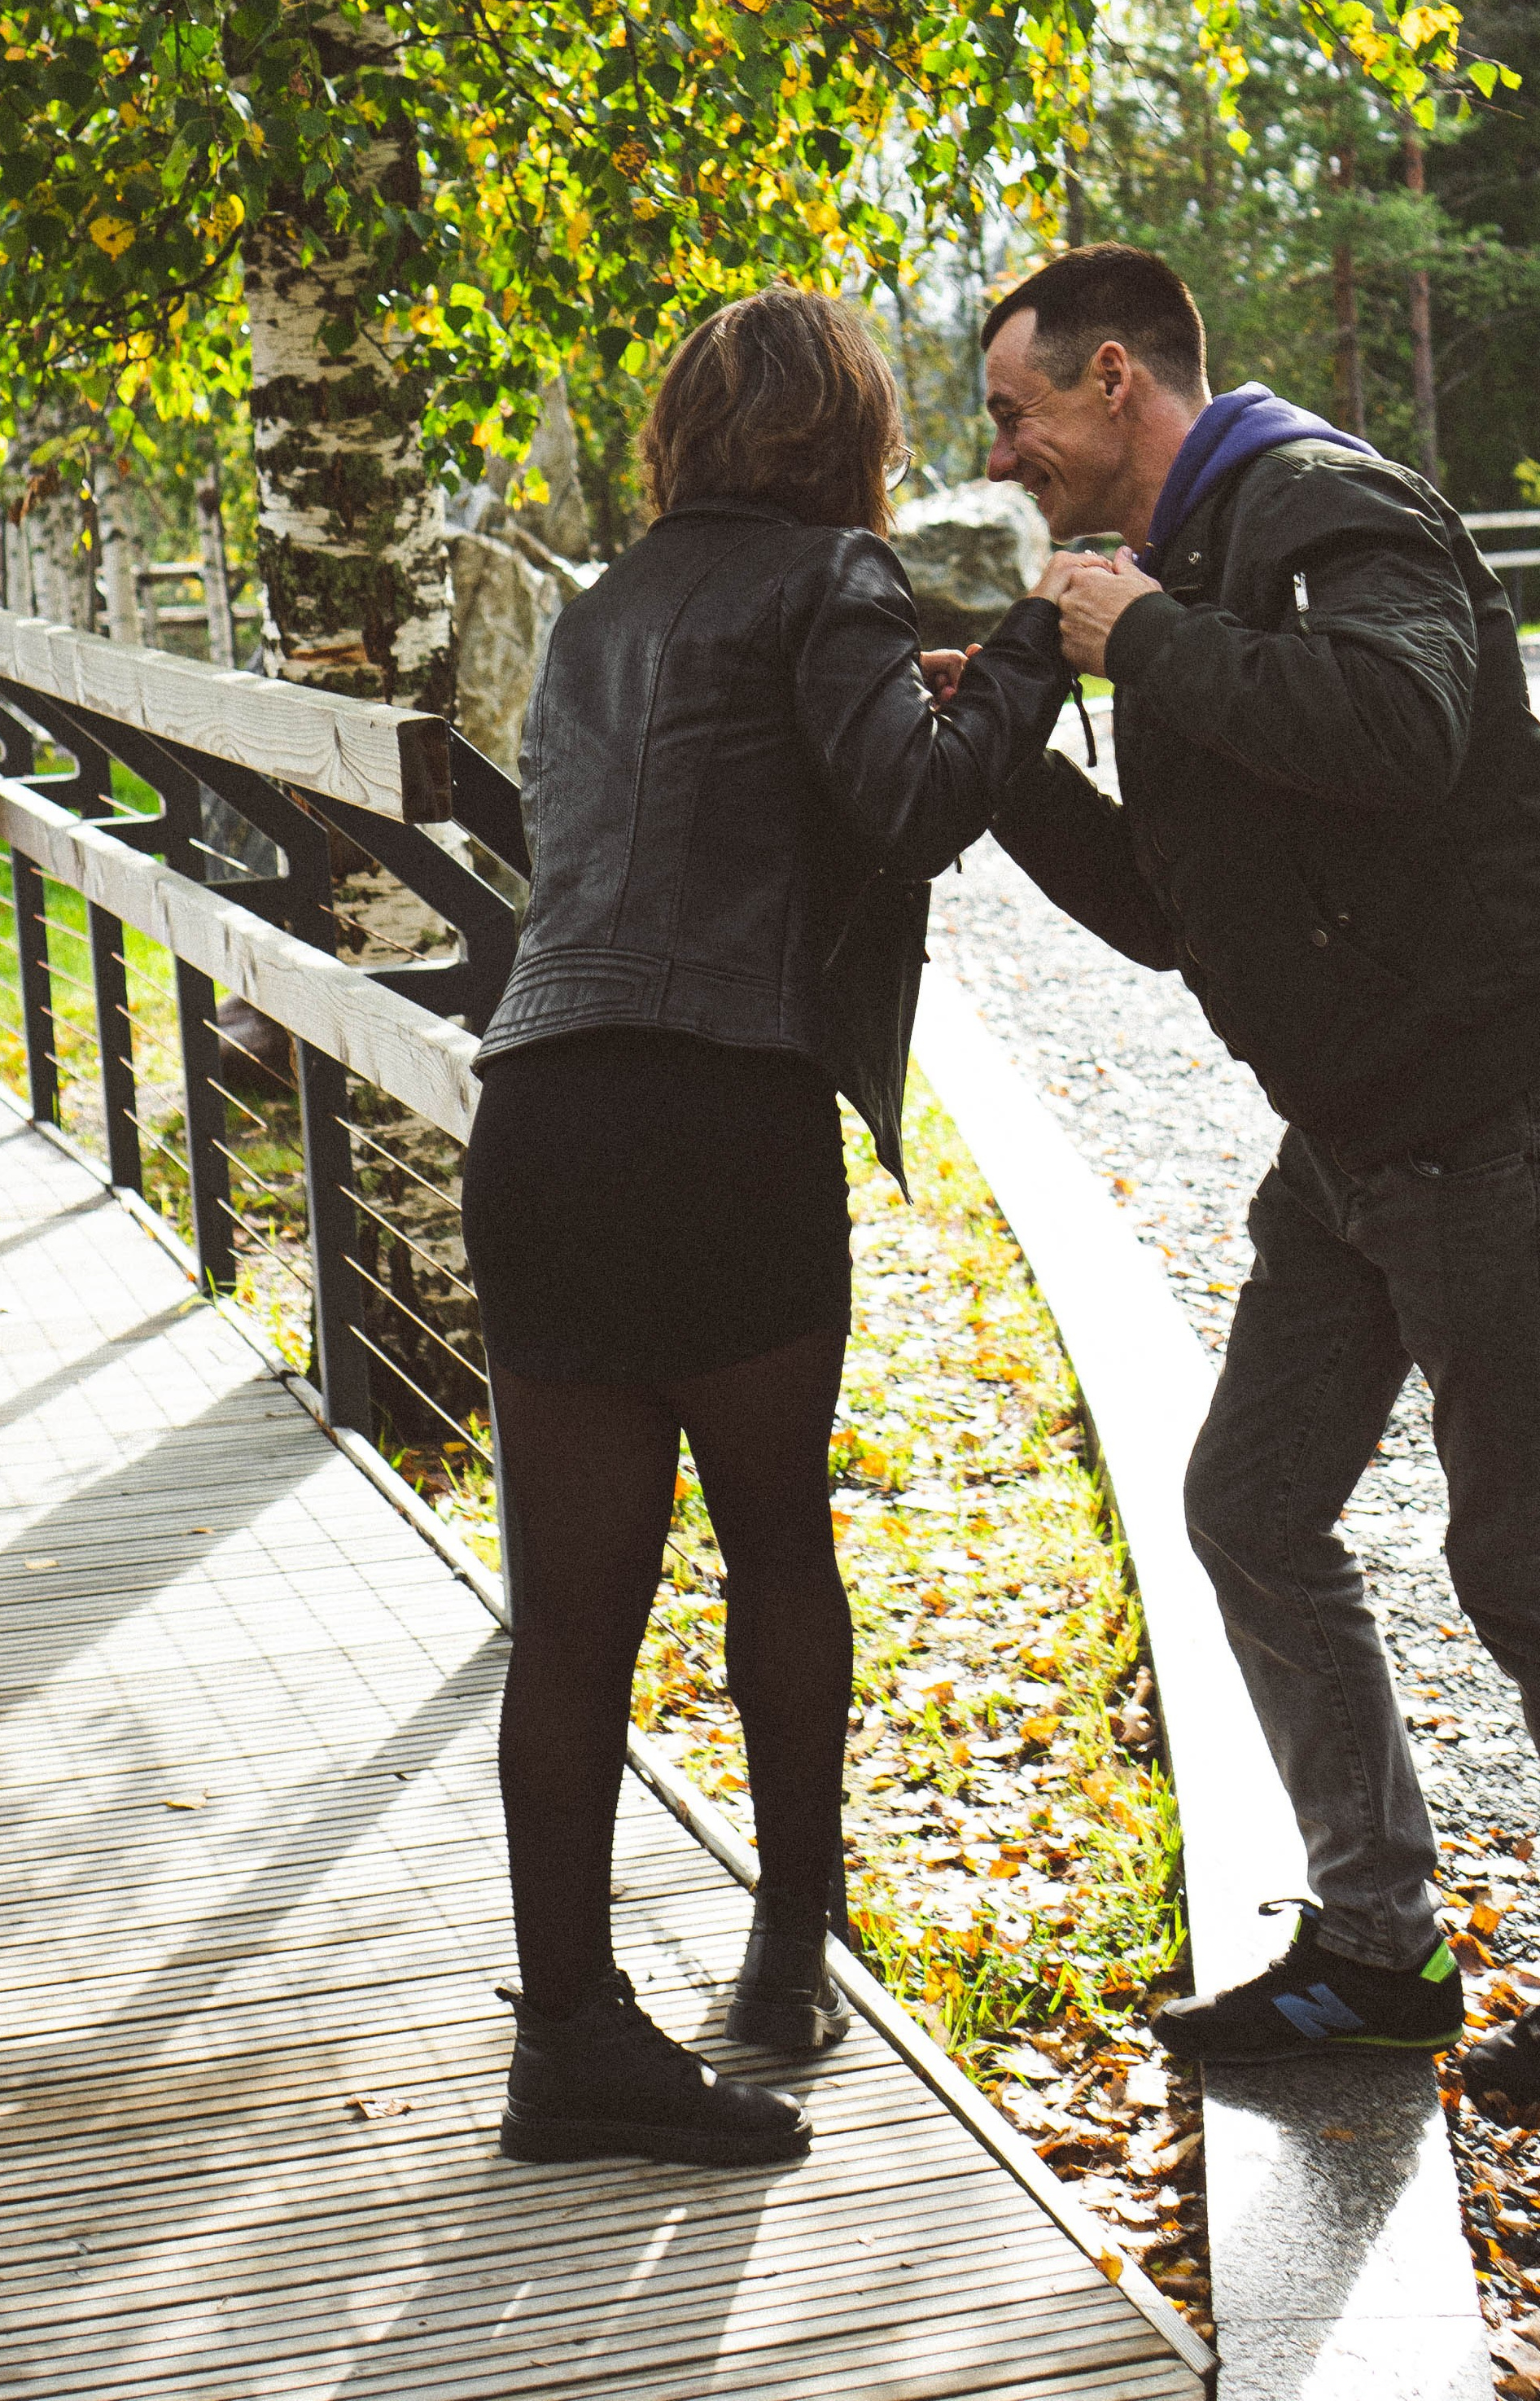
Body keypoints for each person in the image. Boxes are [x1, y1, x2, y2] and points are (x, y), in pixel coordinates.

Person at [979, 242, 1540, 2110]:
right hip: (1349, 1142)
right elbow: (1182, 916)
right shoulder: (1179, 577)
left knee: (1517, 1563)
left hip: (1499, 1118)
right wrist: (1005, 759)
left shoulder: (1322, 506)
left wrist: (1139, 642)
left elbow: (1402, 733)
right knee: (1248, 1503)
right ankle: (1372, 1952)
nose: (1001, 458)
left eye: (1012, 418)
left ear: (1109, 381)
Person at [462, 286, 1068, 2171]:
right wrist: (1040, 652)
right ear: (845, 438)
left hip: (542, 1103)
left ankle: (564, 2039)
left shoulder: (594, 608)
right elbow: (899, 808)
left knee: (570, 1615)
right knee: (772, 1547)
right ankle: (784, 1963)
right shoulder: (836, 580)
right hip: (714, 1112)